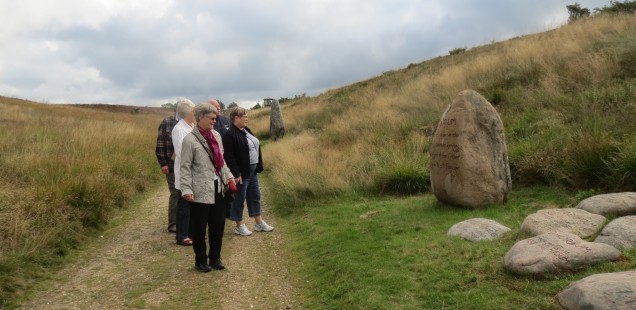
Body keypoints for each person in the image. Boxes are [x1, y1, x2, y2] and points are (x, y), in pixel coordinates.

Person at [180, 103, 236, 272]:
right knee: (199, 227)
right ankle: (200, 260)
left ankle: (215, 258)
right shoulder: (189, 140)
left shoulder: (217, 136)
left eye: (215, 117)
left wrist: (230, 177)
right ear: (199, 118)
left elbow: (221, 161)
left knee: (218, 225)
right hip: (200, 190)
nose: (214, 120)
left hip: (218, 187)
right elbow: (185, 167)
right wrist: (186, 189)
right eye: (211, 118)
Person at [222, 107, 274, 236]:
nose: (247, 118)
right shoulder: (229, 134)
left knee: (255, 196)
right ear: (236, 118)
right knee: (239, 199)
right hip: (241, 172)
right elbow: (228, 156)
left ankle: (259, 223)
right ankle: (239, 225)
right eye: (244, 116)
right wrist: (236, 173)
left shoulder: (246, 130)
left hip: (252, 171)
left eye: (246, 116)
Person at [172, 99, 196, 246]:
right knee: (185, 204)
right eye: (194, 111)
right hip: (185, 171)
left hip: (195, 170)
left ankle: (192, 232)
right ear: (189, 112)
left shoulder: (193, 126)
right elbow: (181, 152)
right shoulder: (179, 129)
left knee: (193, 204)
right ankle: (182, 235)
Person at [155, 108, 179, 233]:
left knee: (184, 193)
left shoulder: (190, 122)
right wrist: (163, 163)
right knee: (175, 192)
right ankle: (173, 224)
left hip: (185, 165)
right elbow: (160, 144)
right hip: (171, 165)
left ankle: (184, 220)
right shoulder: (166, 122)